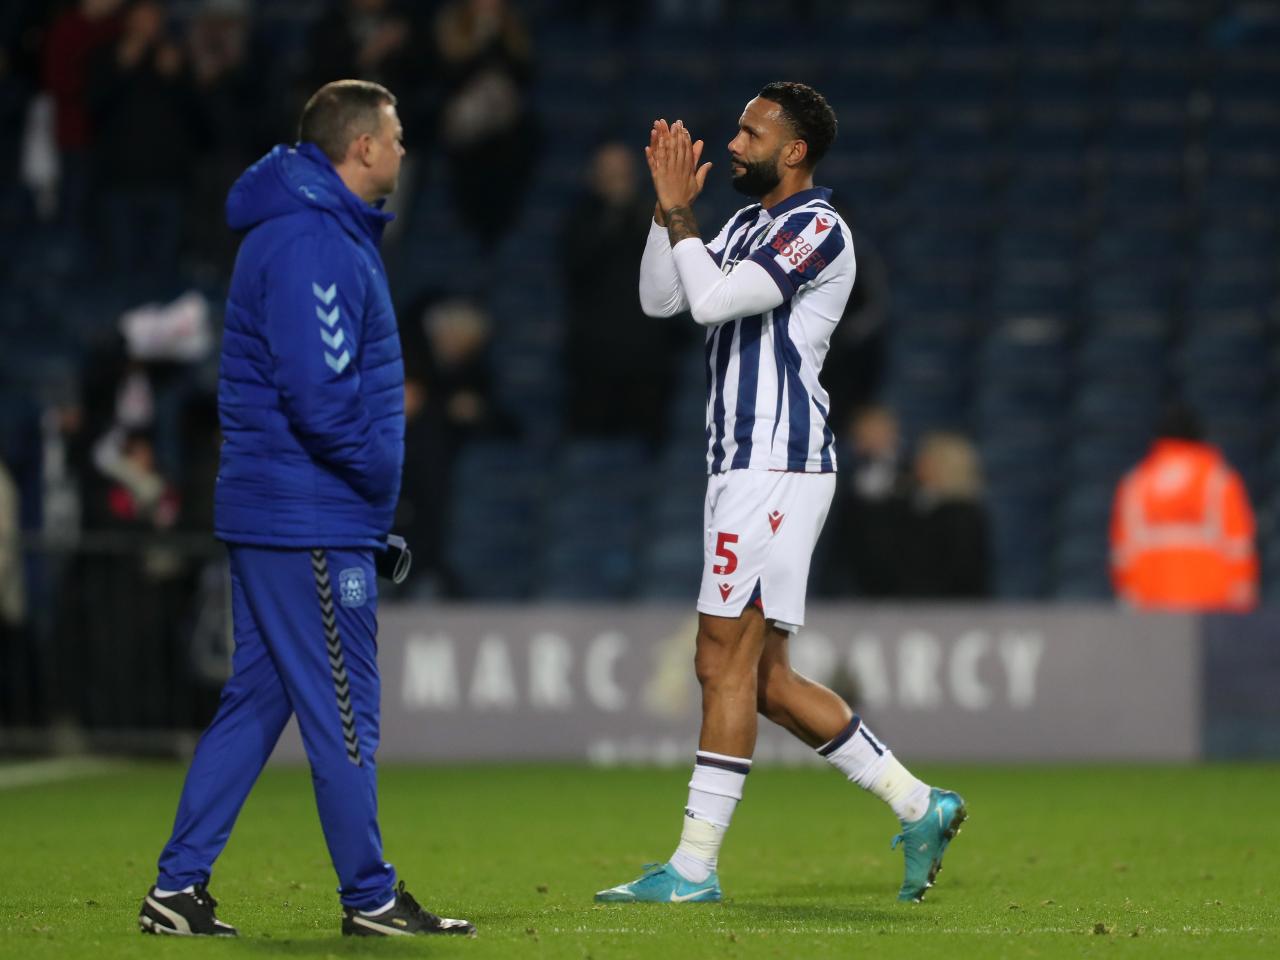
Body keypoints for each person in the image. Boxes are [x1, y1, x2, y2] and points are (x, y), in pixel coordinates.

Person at [596, 83, 966, 906]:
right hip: (741, 466)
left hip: (778, 463)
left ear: (792, 150)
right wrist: (669, 215)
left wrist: (684, 224)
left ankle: (693, 868)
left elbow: (718, 300)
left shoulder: (818, 229)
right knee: (761, 679)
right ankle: (920, 803)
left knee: (717, 659)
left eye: (749, 132)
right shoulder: (745, 225)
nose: (732, 142)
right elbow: (662, 296)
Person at [137, 80, 474, 939]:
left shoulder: (308, 232)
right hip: (309, 516)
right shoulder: (312, 242)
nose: (403, 151)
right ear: (359, 147)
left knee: (257, 700)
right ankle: (369, 896)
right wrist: (371, 494)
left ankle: (177, 890)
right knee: (346, 709)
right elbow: (320, 397)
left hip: (296, 510)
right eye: (395, 136)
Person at [1110, 404, 1258, 611]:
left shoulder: (1135, 483)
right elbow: (1239, 548)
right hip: (1212, 610)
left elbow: (1122, 556)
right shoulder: (1219, 480)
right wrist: (1242, 606)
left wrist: (1130, 605)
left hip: (1152, 609)